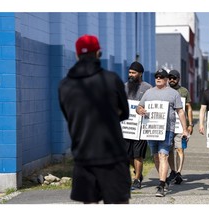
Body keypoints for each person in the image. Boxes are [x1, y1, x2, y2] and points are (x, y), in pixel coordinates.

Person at [58, 34, 131, 204]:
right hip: (113, 158)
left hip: (83, 158)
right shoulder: (111, 79)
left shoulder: (64, 85)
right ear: (99, 53)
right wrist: (110, 114)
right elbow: (125, 113)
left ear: (77, 55)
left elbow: (71, 116)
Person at [136, 68, 189, 197]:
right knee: (155, 157)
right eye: (156, 76)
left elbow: (180, 112)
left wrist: (185, 129)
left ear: (166, 79)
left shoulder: (173, 93)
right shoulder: (148, 93)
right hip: (152, 130)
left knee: (163, 155)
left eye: (161, 76)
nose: (158, 78)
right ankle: (163, 179)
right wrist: (140, 110)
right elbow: (139, 107)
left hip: (167, 130)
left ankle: (161, 184)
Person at [124, 61, 152, 190]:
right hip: (126, 127)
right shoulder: (124, 87)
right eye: (129, 72)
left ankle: (136, 181)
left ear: (140, 74)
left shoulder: (148, 88)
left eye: (133, 73)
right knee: (127, 155)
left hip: (141, 127)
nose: (130, 74)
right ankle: (138, 173)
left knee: (137, 154)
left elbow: (153, 106)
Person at [167, 69, 194, 185]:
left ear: (178, 79)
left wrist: (190, 124)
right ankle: (172, 170)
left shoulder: (184, 91)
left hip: (180, 126)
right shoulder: (165, 90)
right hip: (168, 126)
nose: (172, 80)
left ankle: (179, 172)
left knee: (180, 149)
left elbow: (189, 108)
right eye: (170, 78)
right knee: (169, 150)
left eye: (174, 78)